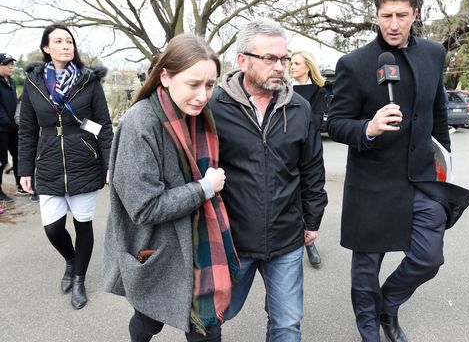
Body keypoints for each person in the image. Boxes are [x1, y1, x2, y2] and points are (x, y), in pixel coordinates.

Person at [327, 0, 469, 341]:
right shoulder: (355, 63)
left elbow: (438, 114)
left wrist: (445, 165)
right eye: (387, 16)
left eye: (402, 15)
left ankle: (387, 305)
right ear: (376, 15)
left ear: (415, 14)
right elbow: (336, 123)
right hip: (371, 184)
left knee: (428, 258)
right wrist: (369, 128)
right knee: (365, 273)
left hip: (421, 179)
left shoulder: (434, 54)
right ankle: (370, 334)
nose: (394, 24)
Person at [103, 33, 240, 342]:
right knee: (148, 320)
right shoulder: (140, 123)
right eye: (193, 84)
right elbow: (144, 206)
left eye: (209, 85)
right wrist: (204, 188)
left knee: (206, 329)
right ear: (164, 76)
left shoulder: (200, 115)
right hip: (158, 248)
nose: (203, 95)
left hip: (199, 246)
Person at [209, 19, 328, 341]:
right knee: (212, 318)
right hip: (232, 240)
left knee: (287, 325)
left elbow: (312, 171)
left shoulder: (300, 108)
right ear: (242, 60)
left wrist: (313, 219)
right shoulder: (213, 107)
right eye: (270, 59)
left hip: (286, 238)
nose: (280, 66)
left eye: (284, 58)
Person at [18, 23, 113, 309]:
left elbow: (104, 126)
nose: (65, 46)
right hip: (47, 161)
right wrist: (24, 169)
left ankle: (80, 279)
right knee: (53, 227)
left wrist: (110, 163)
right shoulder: (34, 83)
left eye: (69, 41)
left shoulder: (89, 81)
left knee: (84, 225)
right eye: (58, 41)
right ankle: (70, 260)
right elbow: (26, 129)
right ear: (46, 48)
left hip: (84, 159)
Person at [290, 50, 329, 267]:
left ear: (308, 66)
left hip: (309, 149)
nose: (292, 67)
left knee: (310, 192)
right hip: (286, 148)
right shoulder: (283, 89)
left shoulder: (318, 92)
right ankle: (295, 244)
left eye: (296, 63)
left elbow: (314, 122)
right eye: (291, 63)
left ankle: (309, 242)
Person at [0, 53, 28, 202]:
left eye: (12, 64)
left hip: (13, 128)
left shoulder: (11, 81)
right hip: (2, 129)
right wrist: (8, 122)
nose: (11, 67)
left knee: (19, 156)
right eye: (7, 64)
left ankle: (21, 184)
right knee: (2, 160)